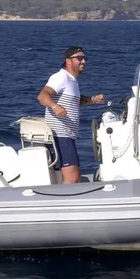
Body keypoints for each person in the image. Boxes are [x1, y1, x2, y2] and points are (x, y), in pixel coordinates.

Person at [37, 46, 105, 183]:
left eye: (85, 58)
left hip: (67, 136)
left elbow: (74, 101)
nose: (83, 61)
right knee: (73, 177)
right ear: (68, 61)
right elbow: (42, 96)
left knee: (73, 177)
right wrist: (55, 106)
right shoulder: (61, 77)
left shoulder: (72, 81)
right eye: (79, 58)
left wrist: (92, 100)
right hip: (60, 135)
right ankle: (62, 204)